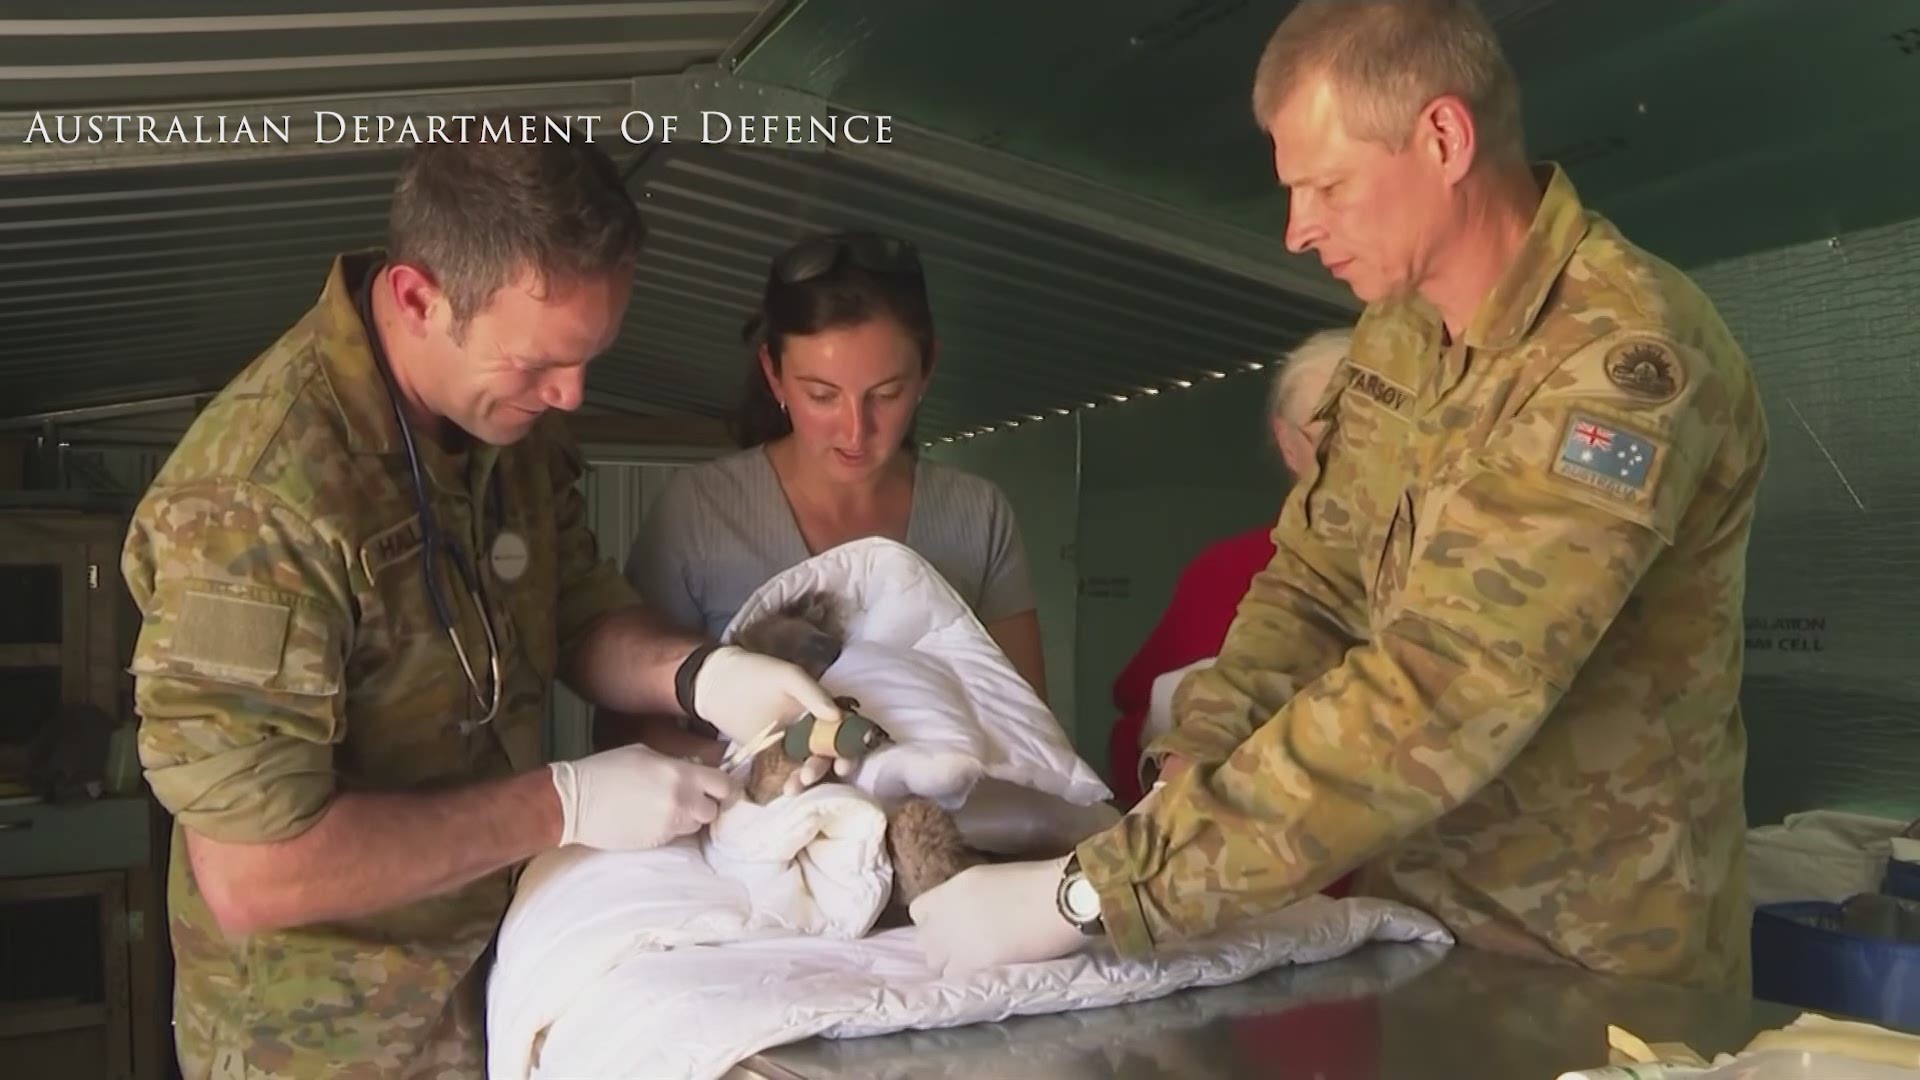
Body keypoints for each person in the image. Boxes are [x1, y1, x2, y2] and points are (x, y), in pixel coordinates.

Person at [911, 0, 1767, 994]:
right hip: (1417, 925)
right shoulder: (1402, 333)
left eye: (1326, 186)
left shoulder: (1619, 362)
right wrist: (1194, 759)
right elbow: (1316, 582)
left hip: (1598, 961)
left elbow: (1449, 683)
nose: (1295, 231)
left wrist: (1099, 893)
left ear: (1443, 137)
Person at [121, 136, 844, 1079]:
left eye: (588, 358)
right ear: (421, 298)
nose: (570, 393)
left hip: (496, 985)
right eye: (543, 363)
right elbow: (260, 871)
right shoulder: (255, 501)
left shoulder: (501, 412)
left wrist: (701, 676)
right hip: (325, 1044)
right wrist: (562, 804)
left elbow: (576, 607)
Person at [605, 229, 1047, 761]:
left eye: (886, 394)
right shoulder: (699, 512)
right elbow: (620, 733)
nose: (855, 431)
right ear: (775, 374)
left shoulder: (977, 516)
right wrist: (757, 777)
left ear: (928, 368)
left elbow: (1027, 727)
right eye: (822, 396)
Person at [1106, 327, 1349, 807]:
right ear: (1288, 442)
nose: (1360, 468)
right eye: (1332, 441)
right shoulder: (1224, 573)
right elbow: (1136, 726)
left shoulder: (1451, 573)